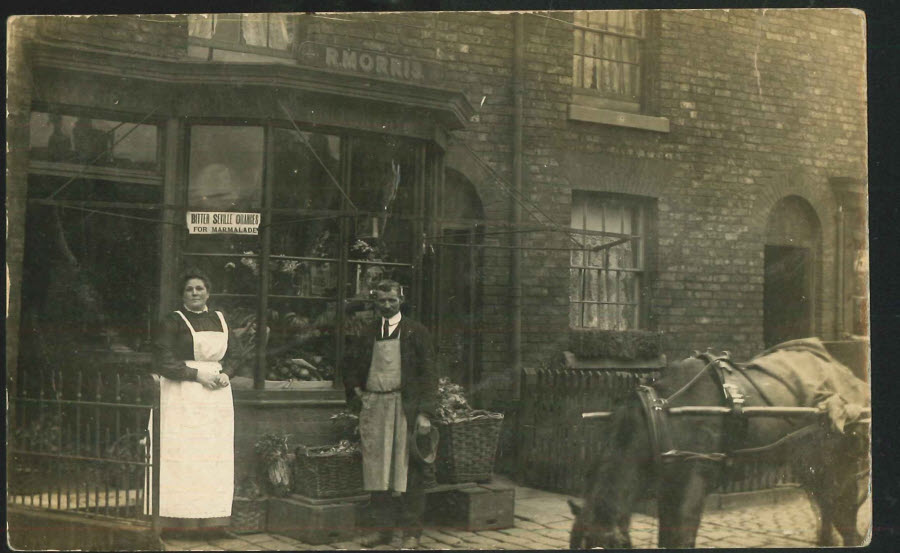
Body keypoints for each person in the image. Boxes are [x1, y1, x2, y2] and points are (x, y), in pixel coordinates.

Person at [344, 280, 439, 549]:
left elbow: (429, 374)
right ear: (375, 302)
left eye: (392, 300)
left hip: (405, 407)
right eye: (382, 301)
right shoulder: (367, 331)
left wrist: (424, 413)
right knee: (377, 471)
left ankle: (411, 533)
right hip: (374, 406)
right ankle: (382, 531)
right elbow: (349, 365)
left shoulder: (416, 332)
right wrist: (356, 393)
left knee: (410, 471)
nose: (387, 305)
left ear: (401, 299)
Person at [147, 270, 237, 536]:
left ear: (208, 292)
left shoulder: (220, 319)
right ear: (182, 294)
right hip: (182, 393)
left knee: (213, 456)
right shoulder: (172, 321)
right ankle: (176, 521)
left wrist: (225, 374)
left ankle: (214, 522)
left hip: (217, 396)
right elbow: (163, 359)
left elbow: (238, 354)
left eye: (200, 288)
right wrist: (197, 375)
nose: (195, 293)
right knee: (183, 456)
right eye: (189, 289)